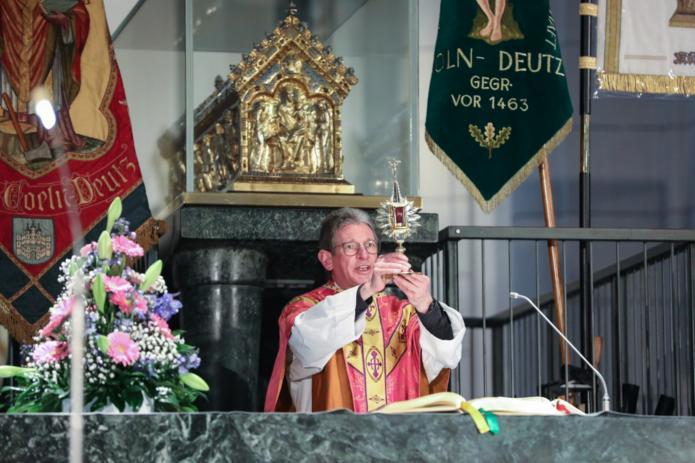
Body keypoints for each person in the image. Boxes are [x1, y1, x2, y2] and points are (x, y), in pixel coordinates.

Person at [264, 207, 465, 412]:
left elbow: (446, 355)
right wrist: (366, 289)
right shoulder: (304, 309)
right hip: (331, 438)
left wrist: (426, 305)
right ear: (327, 259)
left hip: (395, 437)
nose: (363, 255)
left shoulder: (403, 313)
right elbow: (309, 343)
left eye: (370, 245)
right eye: (350, 247)